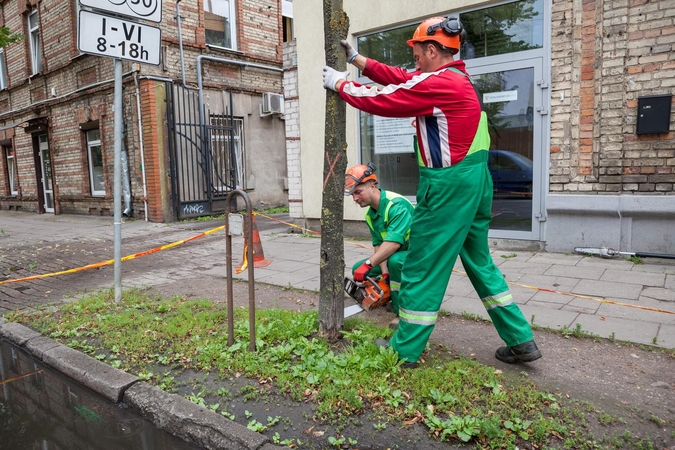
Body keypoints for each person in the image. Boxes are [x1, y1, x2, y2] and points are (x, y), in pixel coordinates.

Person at [322, 16, 542, 366]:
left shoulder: (441, 85)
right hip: (473, 184)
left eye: (418, 52)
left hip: (448, 187)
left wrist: (341, 86)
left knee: (422, 263)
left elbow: (385, 98)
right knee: (479, 262)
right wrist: (357, 60)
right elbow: (403, 78)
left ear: (432, 49)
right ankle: (520, 339)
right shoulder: (456, 80)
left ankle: (404, 350)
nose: (414, 60)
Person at [344, 163, 414, 324]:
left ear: (372, 186)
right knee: (357, 268)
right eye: (353, 194)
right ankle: (387, 293)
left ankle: (401, 312)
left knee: (394, 262)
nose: (355, 198)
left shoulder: (396, 205)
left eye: (358, 192)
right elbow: (378, 245)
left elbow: (393, 243)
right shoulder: (370, 214)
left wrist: (369, 264)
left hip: (418, 252)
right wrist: (384, 273)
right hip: (396, 252)